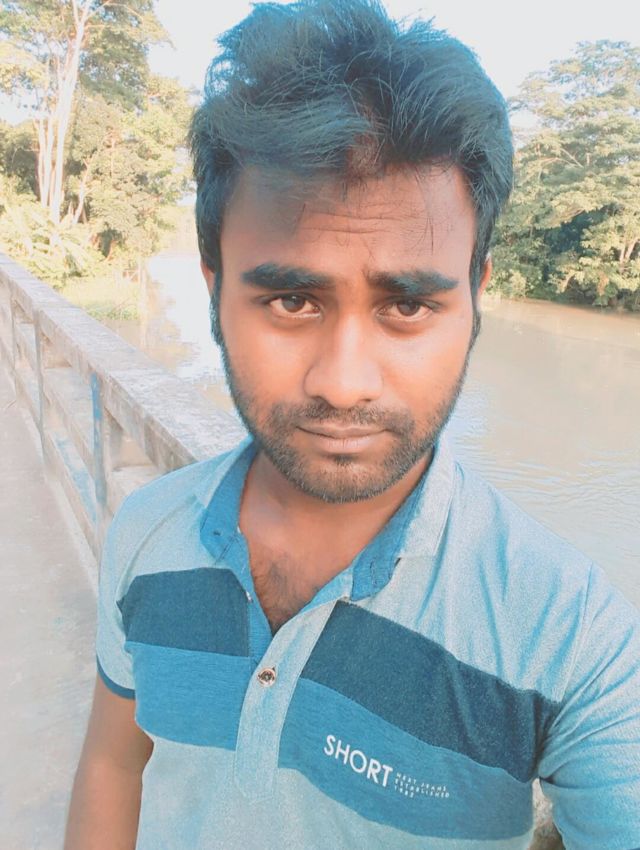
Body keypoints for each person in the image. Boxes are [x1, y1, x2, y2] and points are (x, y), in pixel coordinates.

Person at [64, 1, 640, 848]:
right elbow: (114, 765)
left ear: (476, 297)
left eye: (407, 305)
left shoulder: (569, 635)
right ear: (215, 289)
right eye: (291, 300)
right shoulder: (147, 535)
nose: (343, 383)